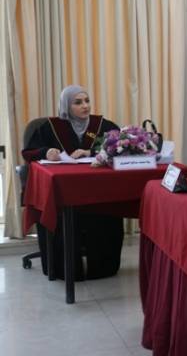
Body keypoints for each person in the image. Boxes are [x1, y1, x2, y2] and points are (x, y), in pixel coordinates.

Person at [22, 85, 124, 280]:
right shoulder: (50, 127)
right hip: (61, 191)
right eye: (78, 102)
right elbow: (28, 152)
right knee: (60, 215)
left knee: (106, 210)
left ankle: (102, 267)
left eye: (87, 101)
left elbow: (118, 147)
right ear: (66, 106)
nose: (85, 106)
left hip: (97, 189)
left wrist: (91, 152)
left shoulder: (103, 125)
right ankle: (63, 268)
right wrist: (46, 152)